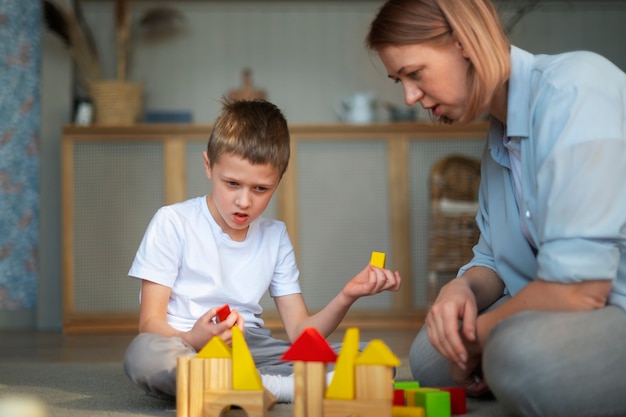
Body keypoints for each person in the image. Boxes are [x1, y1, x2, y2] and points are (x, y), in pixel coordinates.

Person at [366, 1, 626, 416]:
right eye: (400, 80)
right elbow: (494, 259)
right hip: (570, 307)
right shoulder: (498, 138)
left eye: (414, 74)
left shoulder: (577, 89)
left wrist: (481, 335)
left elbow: (580, 287)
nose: (410, 96)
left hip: (610, 303)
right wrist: (461, 289)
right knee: (432, 355)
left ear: (464, 42)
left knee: (513, 354)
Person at [123, 99, 401, 403]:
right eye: (232, 183)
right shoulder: (172, 222)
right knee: (142, 353)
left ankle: (241, 384)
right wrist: (193, 338)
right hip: (185, 344)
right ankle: (282, 387)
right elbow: (149, 323)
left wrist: (347, 295)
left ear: (278, 181)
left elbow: (300, 333)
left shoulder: (275, 236)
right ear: (208, 165)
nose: (244, 201)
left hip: (252, 348)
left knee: (371, 359)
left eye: (260, 189)